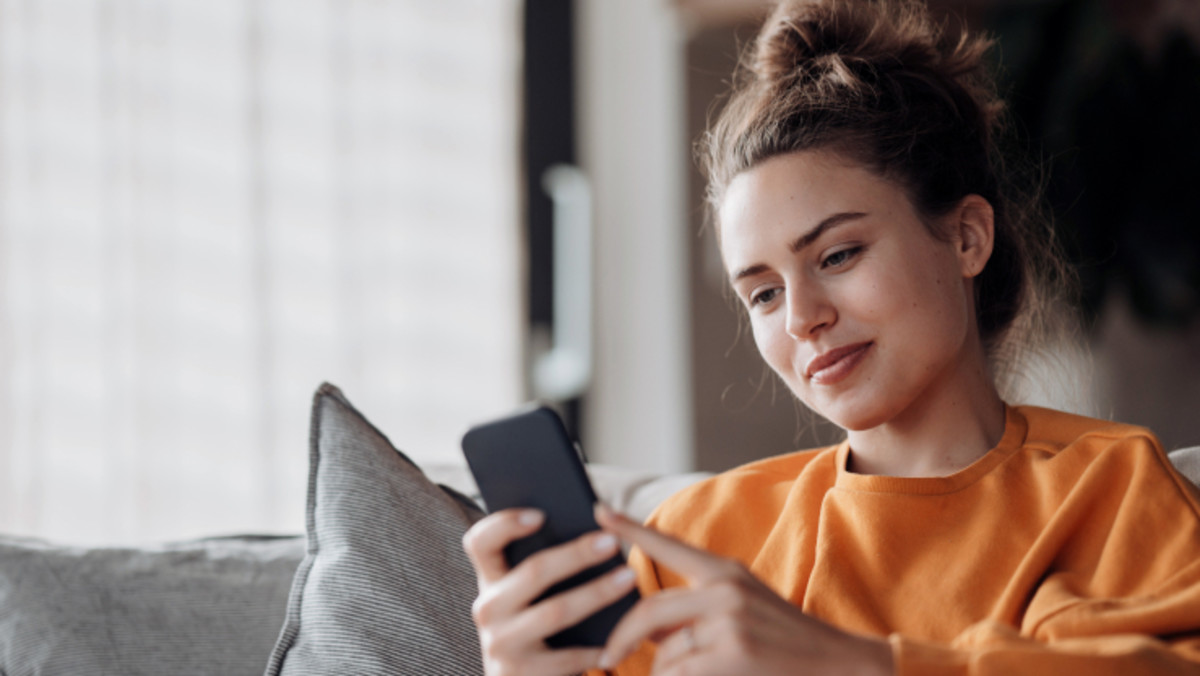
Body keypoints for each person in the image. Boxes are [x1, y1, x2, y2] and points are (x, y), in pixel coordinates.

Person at [462, 0, 1200, 674]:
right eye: (763, 292)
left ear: (968, 237)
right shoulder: (694, 538)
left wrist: (855, 664)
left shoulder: (1113, 490)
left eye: (838, 255)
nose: (801, 317)